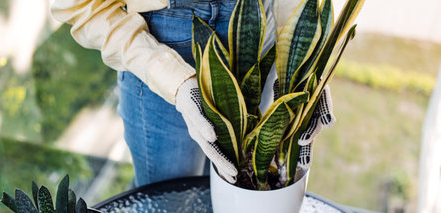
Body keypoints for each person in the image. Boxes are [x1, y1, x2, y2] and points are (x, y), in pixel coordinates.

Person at [51, 0, 332, 187]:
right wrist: (171, 77)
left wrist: (302, 63)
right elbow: (78, 5)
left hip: (260, 26)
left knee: (245, 204)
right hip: (166, 39)